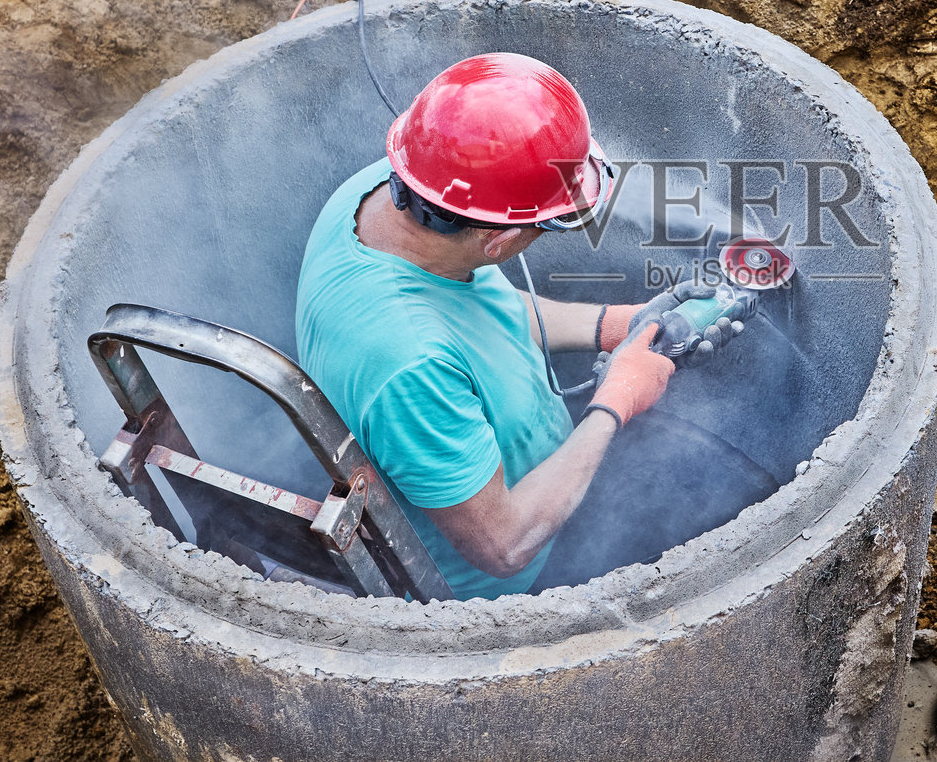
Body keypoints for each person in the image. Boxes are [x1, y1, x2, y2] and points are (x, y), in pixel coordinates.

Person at [295, 52, 736, 600]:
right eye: (541, 227)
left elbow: (483, 308)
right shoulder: (407, 363)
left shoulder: (388, 193)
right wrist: (613, 403)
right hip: (509, 583)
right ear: (498, 242)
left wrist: (614, 325)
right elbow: (503, 545)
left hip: (542, 486)